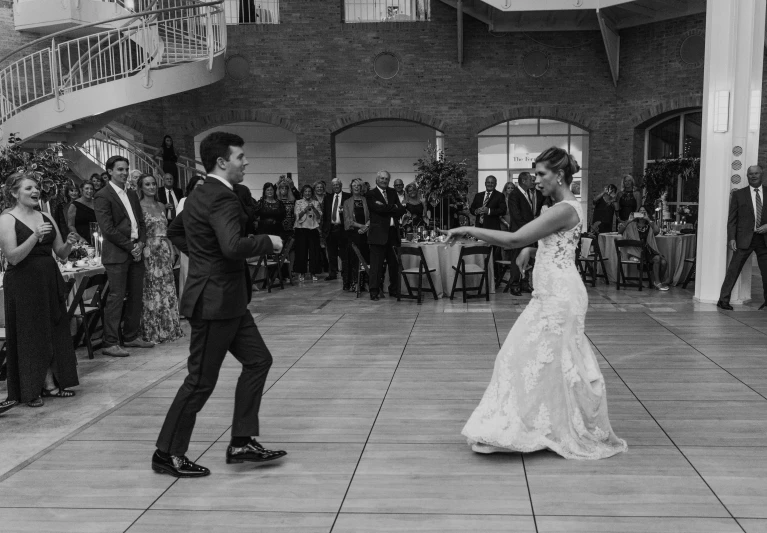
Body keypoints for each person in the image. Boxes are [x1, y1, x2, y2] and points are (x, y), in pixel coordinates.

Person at [442, 147, 627, 460]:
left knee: (525, 356)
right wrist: (532, 251)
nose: (536, 180)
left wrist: (470, 229)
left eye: (542, 174)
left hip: (560, 298)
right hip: (549, 294)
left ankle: (544, 427)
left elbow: (515, 238)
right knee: (539, 361)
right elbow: (548, 241)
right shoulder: (556, 208)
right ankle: (541, 424)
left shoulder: (564, 208)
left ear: (559, 175)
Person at [153, 131, 286, 478]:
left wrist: (202, 259)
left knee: (259, 361)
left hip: (228, 300)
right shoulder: (222, 198)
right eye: (240, 157)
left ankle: (241, 441)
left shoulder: (199, 193)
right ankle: (167, 453)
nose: (246, 162)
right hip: (215, 302)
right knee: (199, 382)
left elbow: (176, 231)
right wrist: (267, 241)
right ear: (221, 162)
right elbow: (231, 245)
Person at [0, 171, 80, 408]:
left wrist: (69, 244)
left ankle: (52, 383)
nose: (35, 192)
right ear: (14, 193)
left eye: (36, 188)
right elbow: (13, 258)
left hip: (48, 279)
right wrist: (34, 236)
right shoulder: (7, 219)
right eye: (28, 188)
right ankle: (30, 388)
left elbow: (61, 253)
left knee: (53, 330)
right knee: (31, 335)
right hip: (24, 283)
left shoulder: (45, 216)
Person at [94, 155, 154, 357]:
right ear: (109, 171)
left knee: (136, 296)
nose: (124, 173)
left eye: (126, 169)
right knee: (116, 297)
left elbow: (141, 223)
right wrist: (131, 247)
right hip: (118, 254)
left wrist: (142, 243)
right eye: (120, 169)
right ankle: (109, 342)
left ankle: (130, 336)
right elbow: (108, 229)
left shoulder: (131, 193)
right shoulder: (103, 195)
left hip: (135, 251)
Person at [136, 174, 184, 343]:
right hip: (149, 251)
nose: (151, 187)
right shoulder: (138, 206)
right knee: (151, 289)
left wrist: (171, 250)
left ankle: (169, 327)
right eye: (147, 184)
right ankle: (153, 329)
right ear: (141, 187)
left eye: (153, 184)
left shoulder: (162, 205)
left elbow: (166, 231)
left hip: (164, 249)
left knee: (167, 289)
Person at [717, 165, 767, 310]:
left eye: (756, 173)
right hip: (744, 239)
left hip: (764, 239)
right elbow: (732, 219)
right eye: (750, 174)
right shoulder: (739, 194)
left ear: (761, 173)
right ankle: (723, 300)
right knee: (733, 270)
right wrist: (731, 238)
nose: (753, 176)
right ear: (747, 176)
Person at [366, 170, 406, 301]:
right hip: (378, 235)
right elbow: (377, 209)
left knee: (394, 265)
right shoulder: (371, 194)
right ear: (377, 179)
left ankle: (394, 290)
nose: (384, 181)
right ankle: (374, 291)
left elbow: (401, 209)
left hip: (393, 234)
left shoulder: (392, 192)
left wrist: (387, 207)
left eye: (386, 179)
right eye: (382, 178)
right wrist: (392, 207)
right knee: (376, 266)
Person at [507, 171, 543, 296]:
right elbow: (516, 215)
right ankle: (515, 284)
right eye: (530, 180)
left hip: (528, 232)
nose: (532, 182)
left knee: (527, 258)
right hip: (519, 232)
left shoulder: (528, 193)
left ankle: (524, 283)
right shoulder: (514, 194)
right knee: (517, 257)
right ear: (523, 181)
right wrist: (528, 229)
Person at [619, 210, 669, 291]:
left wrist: (648, 219)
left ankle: (656, 282)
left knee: (664, 262)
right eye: (640, 211)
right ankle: (657, 282)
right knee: (658, 259)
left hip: (649, 250)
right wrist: (629, 220)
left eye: (644, 212)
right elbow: (620, 231)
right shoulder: (631, 225)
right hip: (636, 251)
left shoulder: (649, 225)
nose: (641, 214)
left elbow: (656, 231)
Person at [176, 176, 205, 304]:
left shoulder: (206, 202)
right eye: (198, 185)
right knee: (188, 275)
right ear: (192, 187)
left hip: (204, 244)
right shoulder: (184, 201)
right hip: (189, 243)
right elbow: (179, 225)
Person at [323, 178, 351, 288]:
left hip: (342, 228)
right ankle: (332, 273)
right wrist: (325, 228)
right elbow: (325, 214)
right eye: (334, 185)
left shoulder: (347, 196)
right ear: (332, 186)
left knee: (344, 253)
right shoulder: (328, 198)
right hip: (331, 229)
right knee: (331, 253)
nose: (336, 186)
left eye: (337, 184)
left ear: (341, 185)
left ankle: (345, 272)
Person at [344, 179, 370, 292]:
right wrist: (361, 226)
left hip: (366, 234)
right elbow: (348, 220)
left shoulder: (366, 200)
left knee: (366, 258)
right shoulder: (347, 202)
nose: (356, 187)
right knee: (354, 259)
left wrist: (366, 227)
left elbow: (372, 216)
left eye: (358, 185)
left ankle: (365, 283)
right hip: (354, 233)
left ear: (361, 188)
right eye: (354, 185)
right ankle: (354, 283)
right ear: (351, 187)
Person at [293, 184, 323, 282]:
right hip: (301, 229)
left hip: (313, 229)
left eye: (309, 191)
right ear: (302, 193)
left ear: (312, 193)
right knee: (301, 252)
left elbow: (319, 216)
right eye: (305, 191)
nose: (307, 193)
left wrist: (313, 208)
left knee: (314, 252)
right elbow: (297, 216)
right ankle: (302, 272)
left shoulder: (316, 202)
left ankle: (313, 272)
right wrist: (305, 209)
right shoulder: (298, 202)